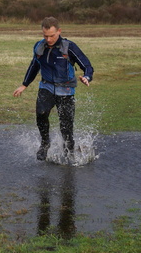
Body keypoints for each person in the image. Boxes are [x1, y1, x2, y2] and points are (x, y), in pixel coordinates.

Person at [13, 17, 94, 161]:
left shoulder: (69, 47)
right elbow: (34, 66)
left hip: (66, 90)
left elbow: (87, 65)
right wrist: (24, 84)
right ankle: (45, 143)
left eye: (52, 35)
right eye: (45, 36)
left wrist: (87, 77)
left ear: (59, 31)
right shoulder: (39, 47)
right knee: (41, 113)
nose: (49, 39)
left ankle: (69, 154)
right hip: (47, 86)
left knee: (66, 127)